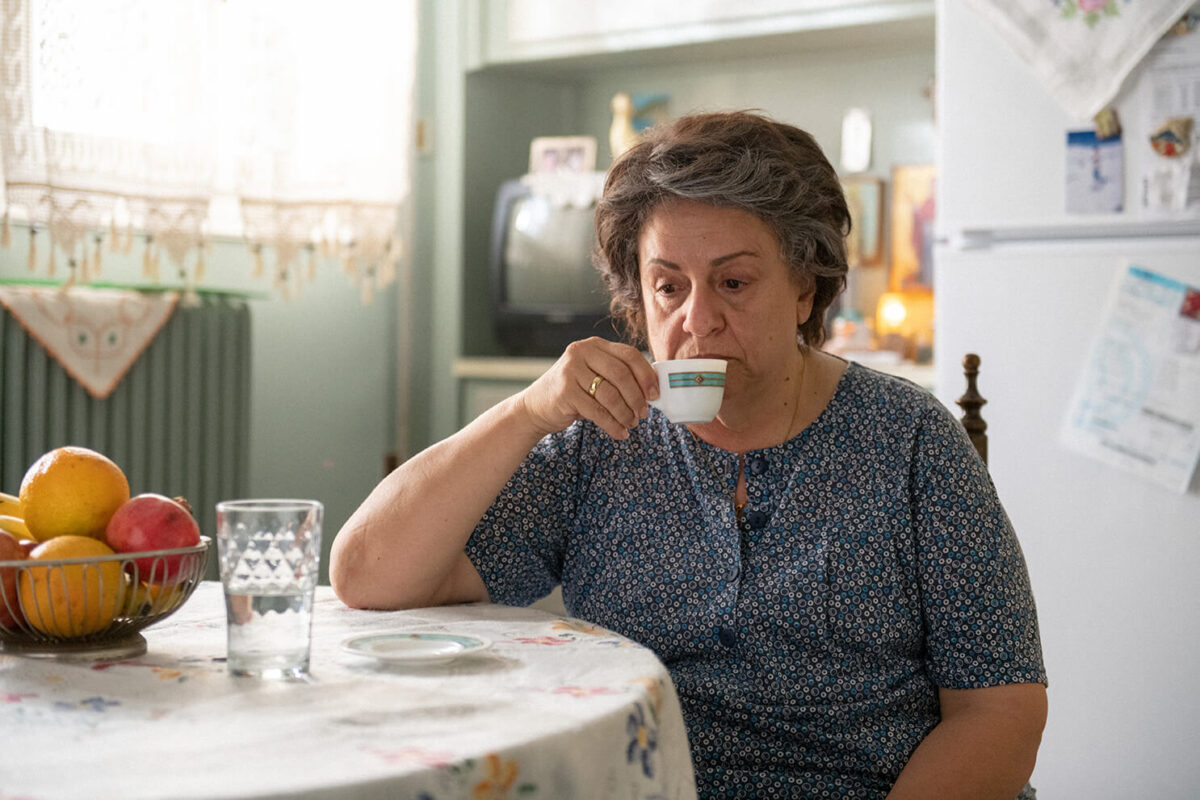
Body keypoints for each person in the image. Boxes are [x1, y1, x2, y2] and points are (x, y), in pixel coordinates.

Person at [330, 110, 1047, 799]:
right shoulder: (604, 438)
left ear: (804, 288)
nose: (696, 320)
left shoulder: (911, 439)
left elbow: (1001, 710)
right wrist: (526, 413)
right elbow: (368, 576)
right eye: (668, 287)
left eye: (733, 283)